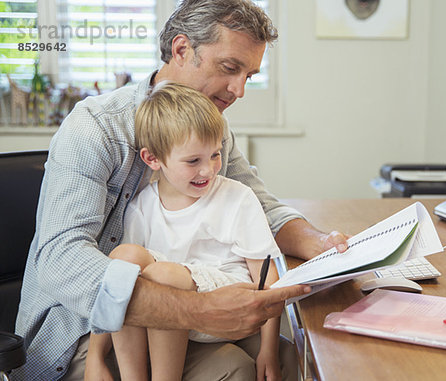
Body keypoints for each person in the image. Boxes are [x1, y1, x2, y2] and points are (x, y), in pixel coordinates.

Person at [15, 1, 349, 380]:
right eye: (229, 68)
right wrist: (198, 310)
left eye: (249, 75)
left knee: (294, 357)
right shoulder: (96, 129)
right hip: (81, 330)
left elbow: (260, 205)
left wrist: (321, 244)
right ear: (181, 50)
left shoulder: (211, 129)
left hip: (179, 306)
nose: (239, 90)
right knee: (235, 369)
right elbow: (62, 262)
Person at [85, 82, 287, 380]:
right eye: (193, 161)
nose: (208, 170)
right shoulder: (142, 206)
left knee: (163, 275)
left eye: (215, 155)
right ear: (152, 159)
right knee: (125, 258)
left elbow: (267, 279)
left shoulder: (237, 198)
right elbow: (114, 285)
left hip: (225, 308)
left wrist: (267, 350)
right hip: (171, 311)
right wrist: (95, 356)